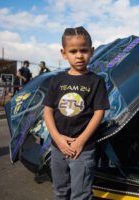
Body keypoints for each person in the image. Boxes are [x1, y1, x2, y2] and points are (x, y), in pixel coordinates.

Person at [43, 26, 110, 200]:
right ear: (64, 53)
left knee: (81, 194)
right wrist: (58, 138)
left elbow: (99, 113)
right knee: (60, 190)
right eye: (73, 51)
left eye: (84, 50)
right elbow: (48, 111)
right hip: (58, 147)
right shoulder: (56, 80)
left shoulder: (97, 81)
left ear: (92, 51)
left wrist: (80, 141)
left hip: (84, 148)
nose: (79, 55)